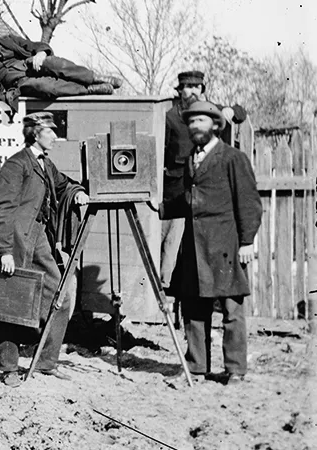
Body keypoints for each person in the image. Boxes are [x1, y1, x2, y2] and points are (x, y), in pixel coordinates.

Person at [0, 112, 89, 386]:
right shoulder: (16, 164)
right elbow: (0, 207)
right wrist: (4, 250)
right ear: (34, 133)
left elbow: (63, 184)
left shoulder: (45, 164)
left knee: (60, 295)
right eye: (50, 131)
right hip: (17, 242)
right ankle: (8, 369)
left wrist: (76, 193)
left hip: (39, 239)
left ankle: (46, 362)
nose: (55, 136)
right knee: (12, 302)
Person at [165, 101, 262, 385]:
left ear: (216, 125)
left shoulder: (232, 158)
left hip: (226, 246)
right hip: (195, 247)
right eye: (192, 122)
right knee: (194, 308)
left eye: (202, 121)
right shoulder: (189, 161)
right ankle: (196, 367)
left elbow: (249, 202)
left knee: (232, 310)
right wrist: (160, 208)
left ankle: (235, 370)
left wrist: (246, 242)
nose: (196, 127)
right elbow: (188, 200)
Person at [160, 70, 249, 289]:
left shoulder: (211, 112)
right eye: (187, 87)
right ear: (180, 91)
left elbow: (241, 113)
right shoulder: (170, 117)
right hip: (176, 192)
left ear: (202, 90)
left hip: (206, 195)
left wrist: (229, 110)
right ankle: (163, 293)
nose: (192, 92)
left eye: (196, 87)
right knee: (168, 246)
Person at [0, 11, 121, 110]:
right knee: (45, 86)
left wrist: (41, 54)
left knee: (53, 63)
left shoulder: (8, 40)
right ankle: (91, 89)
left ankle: (96, 78)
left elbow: (35, 45)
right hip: (16, 82)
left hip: (28, 65)